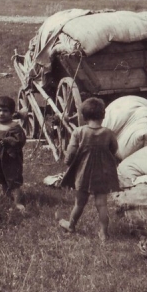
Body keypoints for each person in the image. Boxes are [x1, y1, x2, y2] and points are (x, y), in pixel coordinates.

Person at [57, 97, 120, 242]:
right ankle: (104, 233)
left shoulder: (79, 132)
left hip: (83, 172)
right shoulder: (108, 133)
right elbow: (114, 149)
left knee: (79, 202)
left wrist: (67, 162)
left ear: (83, 116)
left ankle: (71, 226)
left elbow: (71, 151)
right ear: (103, 115)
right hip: (103, 172)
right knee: (102, 204)